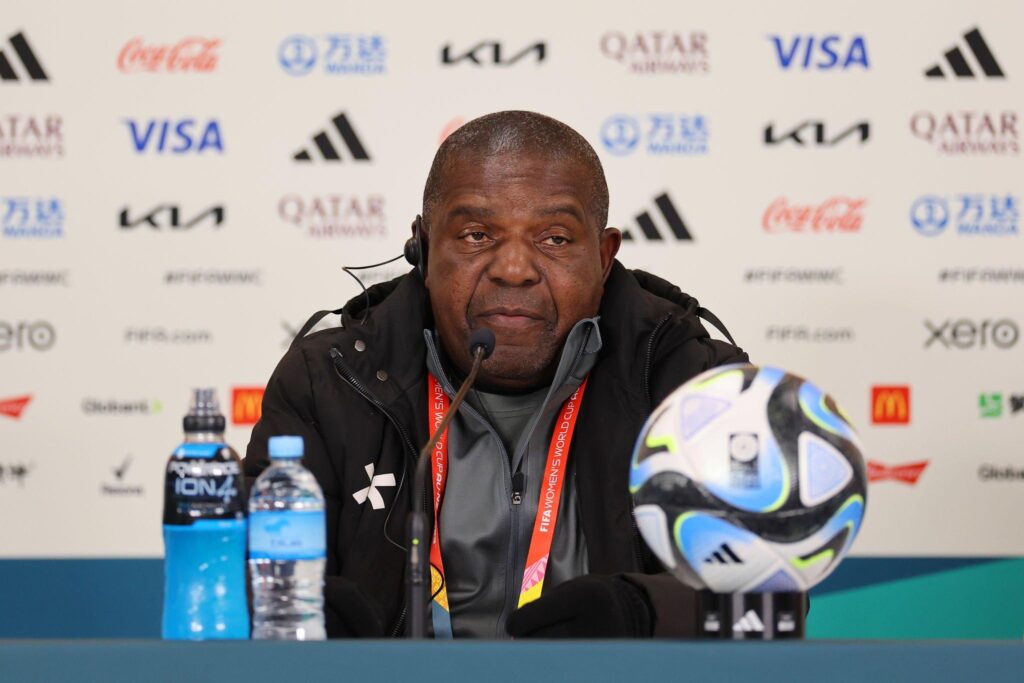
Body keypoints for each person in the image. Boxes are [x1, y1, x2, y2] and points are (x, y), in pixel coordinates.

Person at [244, 110, 748, 639]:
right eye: (477, 234)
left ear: (603, 258)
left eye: (554, 238)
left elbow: (772, 597)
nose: (514, 268)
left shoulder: (694, 386)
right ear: (422, 247)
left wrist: (645, 612)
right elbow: (248, 583)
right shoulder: (328, 383)